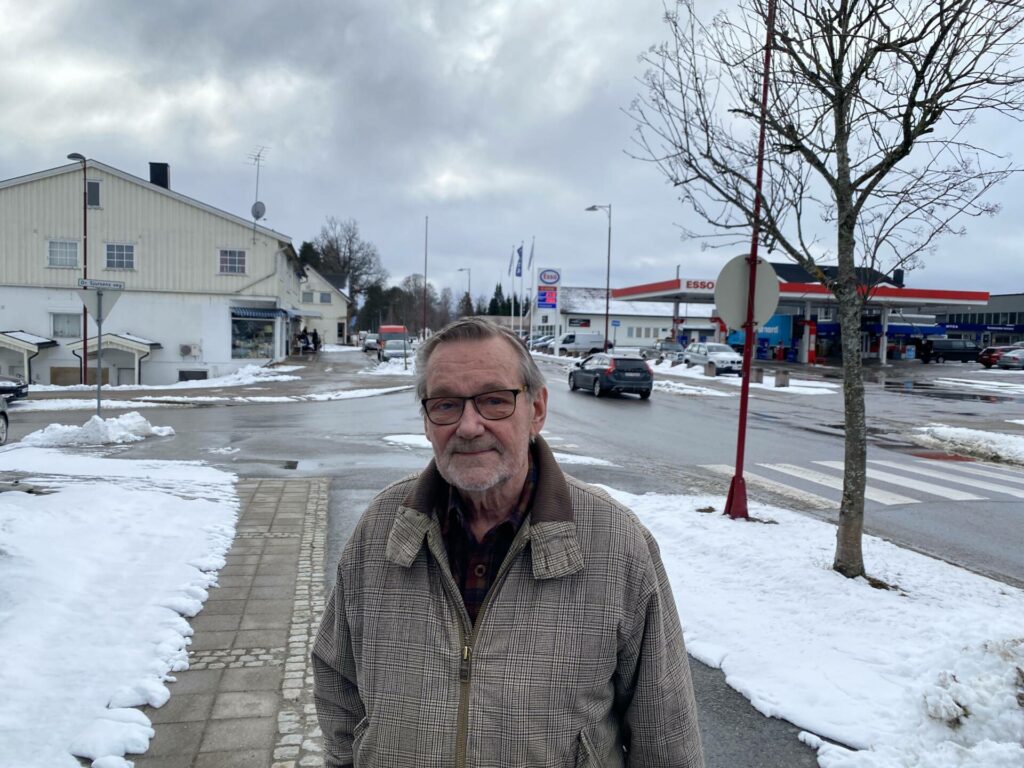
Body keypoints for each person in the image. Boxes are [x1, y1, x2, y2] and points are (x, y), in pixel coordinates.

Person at [312, 318, 704, 767]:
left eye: (494, 400)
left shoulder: (616, 542)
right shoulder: (381, 528)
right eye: (446, 405)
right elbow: (337, 680)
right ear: (426, 421)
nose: (469, 426)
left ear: (536, 410)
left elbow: (666, 733)